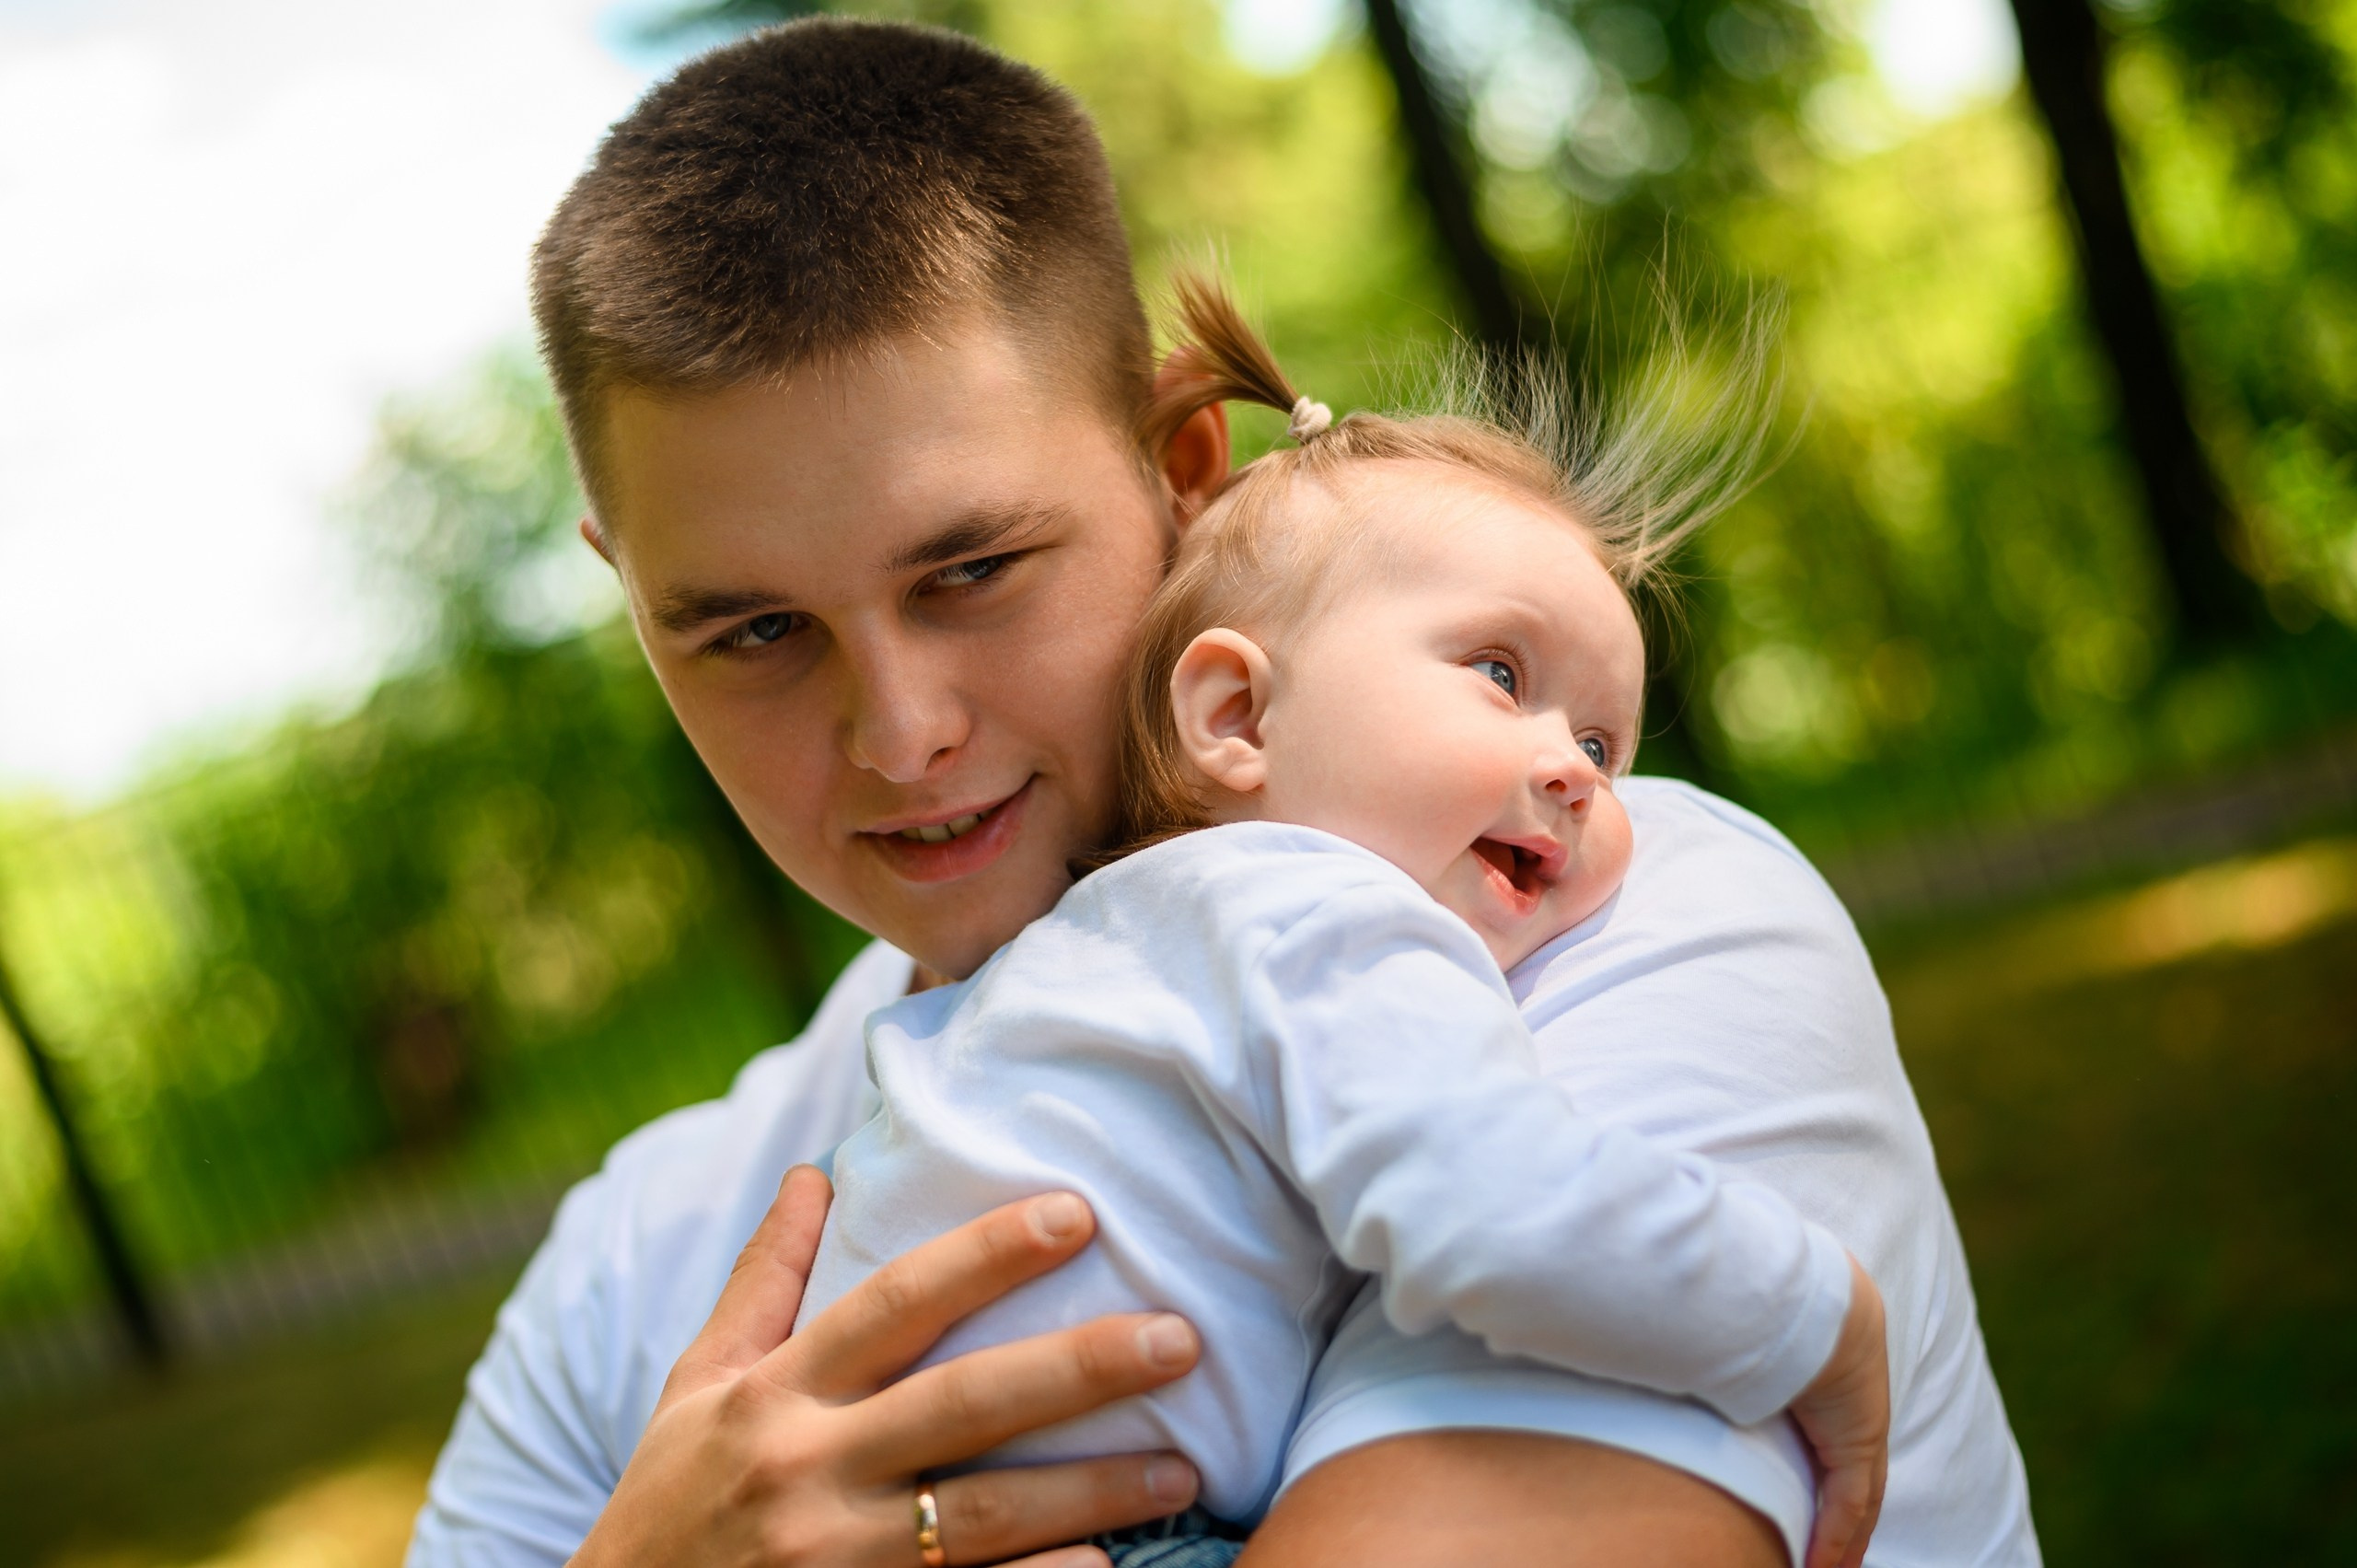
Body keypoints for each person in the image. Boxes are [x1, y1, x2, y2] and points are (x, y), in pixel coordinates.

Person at [409, 17, 2038, 1568]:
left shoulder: (1603, 924)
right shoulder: (629, 1269)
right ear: (632, 600)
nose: (898, 734)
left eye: (973, 569)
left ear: (1181, 467)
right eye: (756, 631)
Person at [795, 275, 1889, 1567]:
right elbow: (1503, 1208)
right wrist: (1819, 1314)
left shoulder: (1112, 940)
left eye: (1603, 736)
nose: (1582, 771)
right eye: (1500, 674)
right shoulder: (1318, 916)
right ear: (1237, 720)